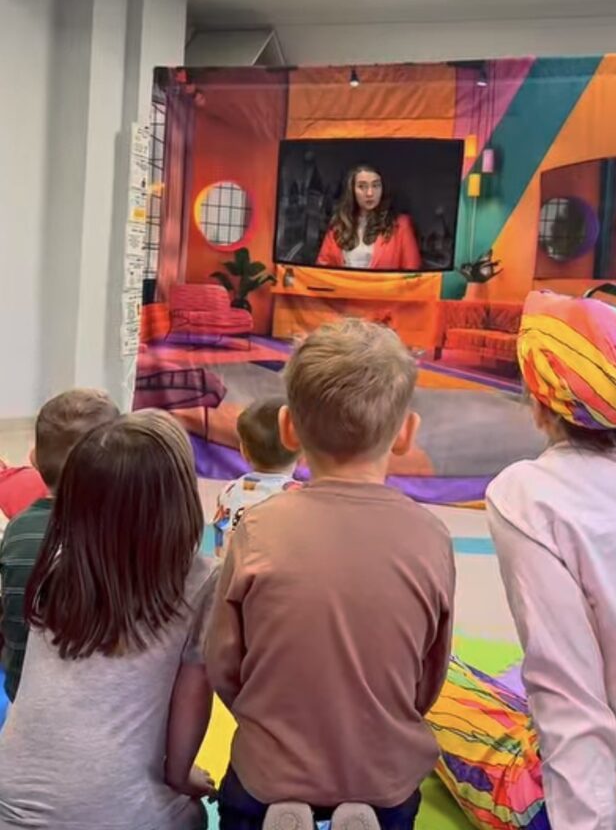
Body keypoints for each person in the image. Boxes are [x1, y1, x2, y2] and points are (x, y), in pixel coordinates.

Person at [206, 319, 455, 830]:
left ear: (288, 428)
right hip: (382, 777)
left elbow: (224, 662)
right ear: (406, 433)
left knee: (247, 785)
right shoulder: (430, 537)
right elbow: (429, 675)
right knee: (394, 794)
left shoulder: (258, 529)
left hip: (268, 773)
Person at [0, 410, 218, 830]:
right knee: (192, 815)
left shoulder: (56, 564)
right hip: (112, 814)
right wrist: (182, 777)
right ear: (181, 500)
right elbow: (191, 707)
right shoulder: (200, 580)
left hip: (9, 800)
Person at [484, 290, 616, 830]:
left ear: (540, 405)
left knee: (452, 697)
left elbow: (570, 696)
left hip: (614, 785)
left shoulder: (531, 496)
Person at [0, 389, 119, 703]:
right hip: (106, 699)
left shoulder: (20, 529)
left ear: (34, 459)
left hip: (21, 693)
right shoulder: (125, 531)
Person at [213, 397, 301, 556]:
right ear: (301, 451)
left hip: (228, 568)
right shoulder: (301, 496)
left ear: (244, 451)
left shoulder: (228, 490)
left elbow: (218, 536)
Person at [316, 165, 421, 271]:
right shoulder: (339, 225)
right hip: (343, 282)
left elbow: (412, 273)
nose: (370, 193)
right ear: (352, 190)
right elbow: (322, 270)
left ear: (383, 188)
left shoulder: (400, 225)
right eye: (362, 186)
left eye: (375, 186)